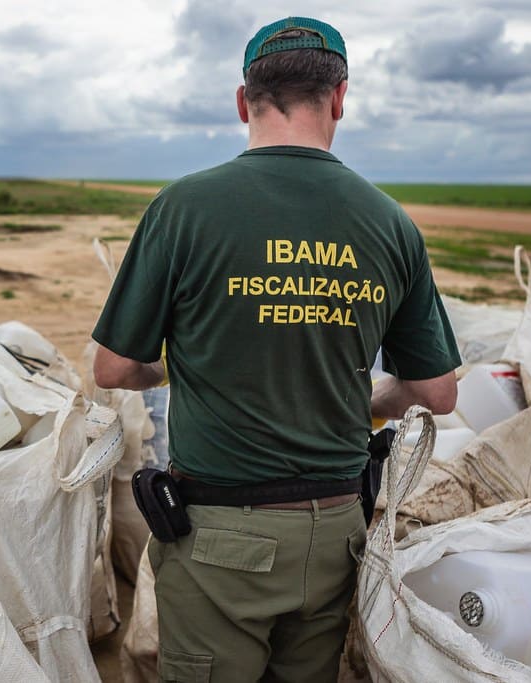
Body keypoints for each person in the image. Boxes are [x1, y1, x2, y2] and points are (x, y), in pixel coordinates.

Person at [91, 16, 460, 683]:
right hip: (338, 533)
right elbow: (438, 393)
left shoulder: (184, 208)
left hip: (219, 538)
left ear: (243, 101)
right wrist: (366, 400)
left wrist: (186, 366)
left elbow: (114, 366)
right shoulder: (390, 223)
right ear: (339, 98)